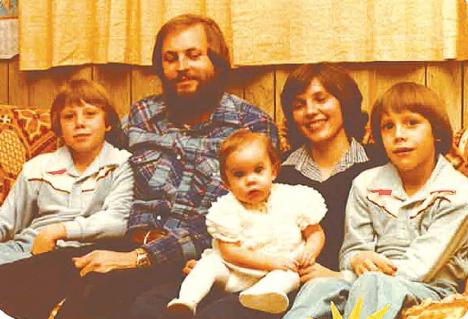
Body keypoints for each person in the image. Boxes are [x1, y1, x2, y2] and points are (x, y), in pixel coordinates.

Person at [0, 14, 278, 319]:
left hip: (191, 261)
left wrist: (138, 258)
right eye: (170, 58)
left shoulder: (250, 127)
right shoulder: (142, 114)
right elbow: (103, 167)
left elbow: (236, 214)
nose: (182, 66)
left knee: (98, 298)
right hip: (118, 243)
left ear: (217, 61)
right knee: (10, 280)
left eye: (193, 55)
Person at [169, 63, 386, 319]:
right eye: (299, 105)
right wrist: (212, 260)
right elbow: (243, 222)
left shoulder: (377, 167)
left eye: (321, 99)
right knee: (154, 303)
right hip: (261, 275)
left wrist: (338, 276)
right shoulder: (275, 171)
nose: (310, 111)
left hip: (322, 288)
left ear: (344, 103)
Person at [283, 82, 468, 319]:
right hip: (367, 283)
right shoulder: (366, 184)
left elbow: (420, 267)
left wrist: (347, 277)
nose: (398, 135)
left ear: (436, 132)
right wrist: (358, 258)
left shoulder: (458, 192)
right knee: (318, 287)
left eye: (411, 123)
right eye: (387, 127)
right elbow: (351, 250)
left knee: (372, 284)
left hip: (430, 288)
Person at [0, 79, 134, 316]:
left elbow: (117, 221)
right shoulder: (38, 168)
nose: (80, 123)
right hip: (23, 249)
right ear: (59, 127)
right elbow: (6, 222)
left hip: (74, 255)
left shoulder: (119, 165)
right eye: (69, 117)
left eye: (90, 114)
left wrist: (58, 230)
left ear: (108, 123)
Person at [167, 130, 326, 317]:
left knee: (290, 277)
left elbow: (315, 233)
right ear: (227, 183)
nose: (250, 180)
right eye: (239, 174)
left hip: (280, 269)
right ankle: (187, 301)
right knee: (208, 265)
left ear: (273, 171)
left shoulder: (293, 198)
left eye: (258, 170)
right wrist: (269, 262)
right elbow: (229, 251)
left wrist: (310, 252)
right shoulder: (227, 208)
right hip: (233, 271)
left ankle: (260, 295)